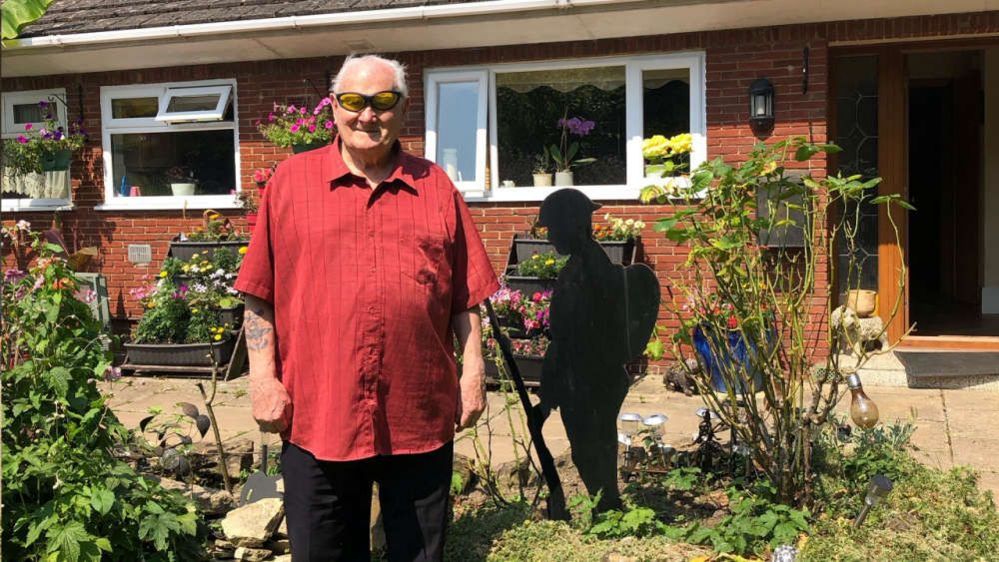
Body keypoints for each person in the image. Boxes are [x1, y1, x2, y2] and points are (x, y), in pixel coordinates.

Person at [235, 54, 499, 562]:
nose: (367, 115)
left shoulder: (436, 186)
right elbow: (258, 292)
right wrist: (262, 379)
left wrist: (472, 374)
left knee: (419, 555)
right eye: (354, 102)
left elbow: (466, 297)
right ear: (333, 107)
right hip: (318, 412)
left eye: (383, 102)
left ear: (403, 110)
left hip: (416, 412)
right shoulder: (291, 183)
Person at [535, 189, 659, 513]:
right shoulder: (583, 264)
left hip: (590, 381)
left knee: (592, 448)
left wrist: (549, 397)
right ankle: (606, 508)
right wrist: (548, 398)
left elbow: (570, 341)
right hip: (586, 379)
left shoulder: (588, 271)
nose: (550, 238)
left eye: (553, 229)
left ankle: (607, 510)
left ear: (573, 225)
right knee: (590, 448)